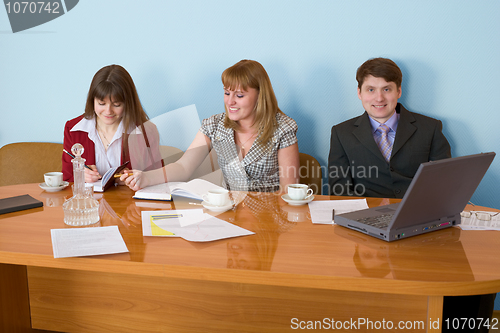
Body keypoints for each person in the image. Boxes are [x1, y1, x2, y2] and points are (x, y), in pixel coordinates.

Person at [123, 59, 300, 192]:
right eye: (227, 92)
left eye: (239, 96)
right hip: (232, 217)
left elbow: (288, 191)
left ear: (259, 96)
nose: (230, 101)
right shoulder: (215, 125)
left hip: (268, 224)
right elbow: (184, 167)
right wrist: (146, 177)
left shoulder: (283, 129)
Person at [328, 57, 451, 198]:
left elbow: (443, 181)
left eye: (386, 89)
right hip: (365, 214)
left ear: (398, 91)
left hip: (416, 212)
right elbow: (339, 192)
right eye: (371, 90)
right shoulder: (341, 133)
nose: (379, 98)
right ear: (359, 93)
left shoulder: (430, 128)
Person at [63, 65, 162, 183]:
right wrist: (81, 176)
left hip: (129, 201)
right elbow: (66, 178)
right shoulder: (73, 129)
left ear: (127, 103)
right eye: (101, 103)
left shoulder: (147, 132)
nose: (108, 111)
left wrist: (138, 178)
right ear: (92, 100)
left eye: (116, 105)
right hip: (90, 201)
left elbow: (158, 178)